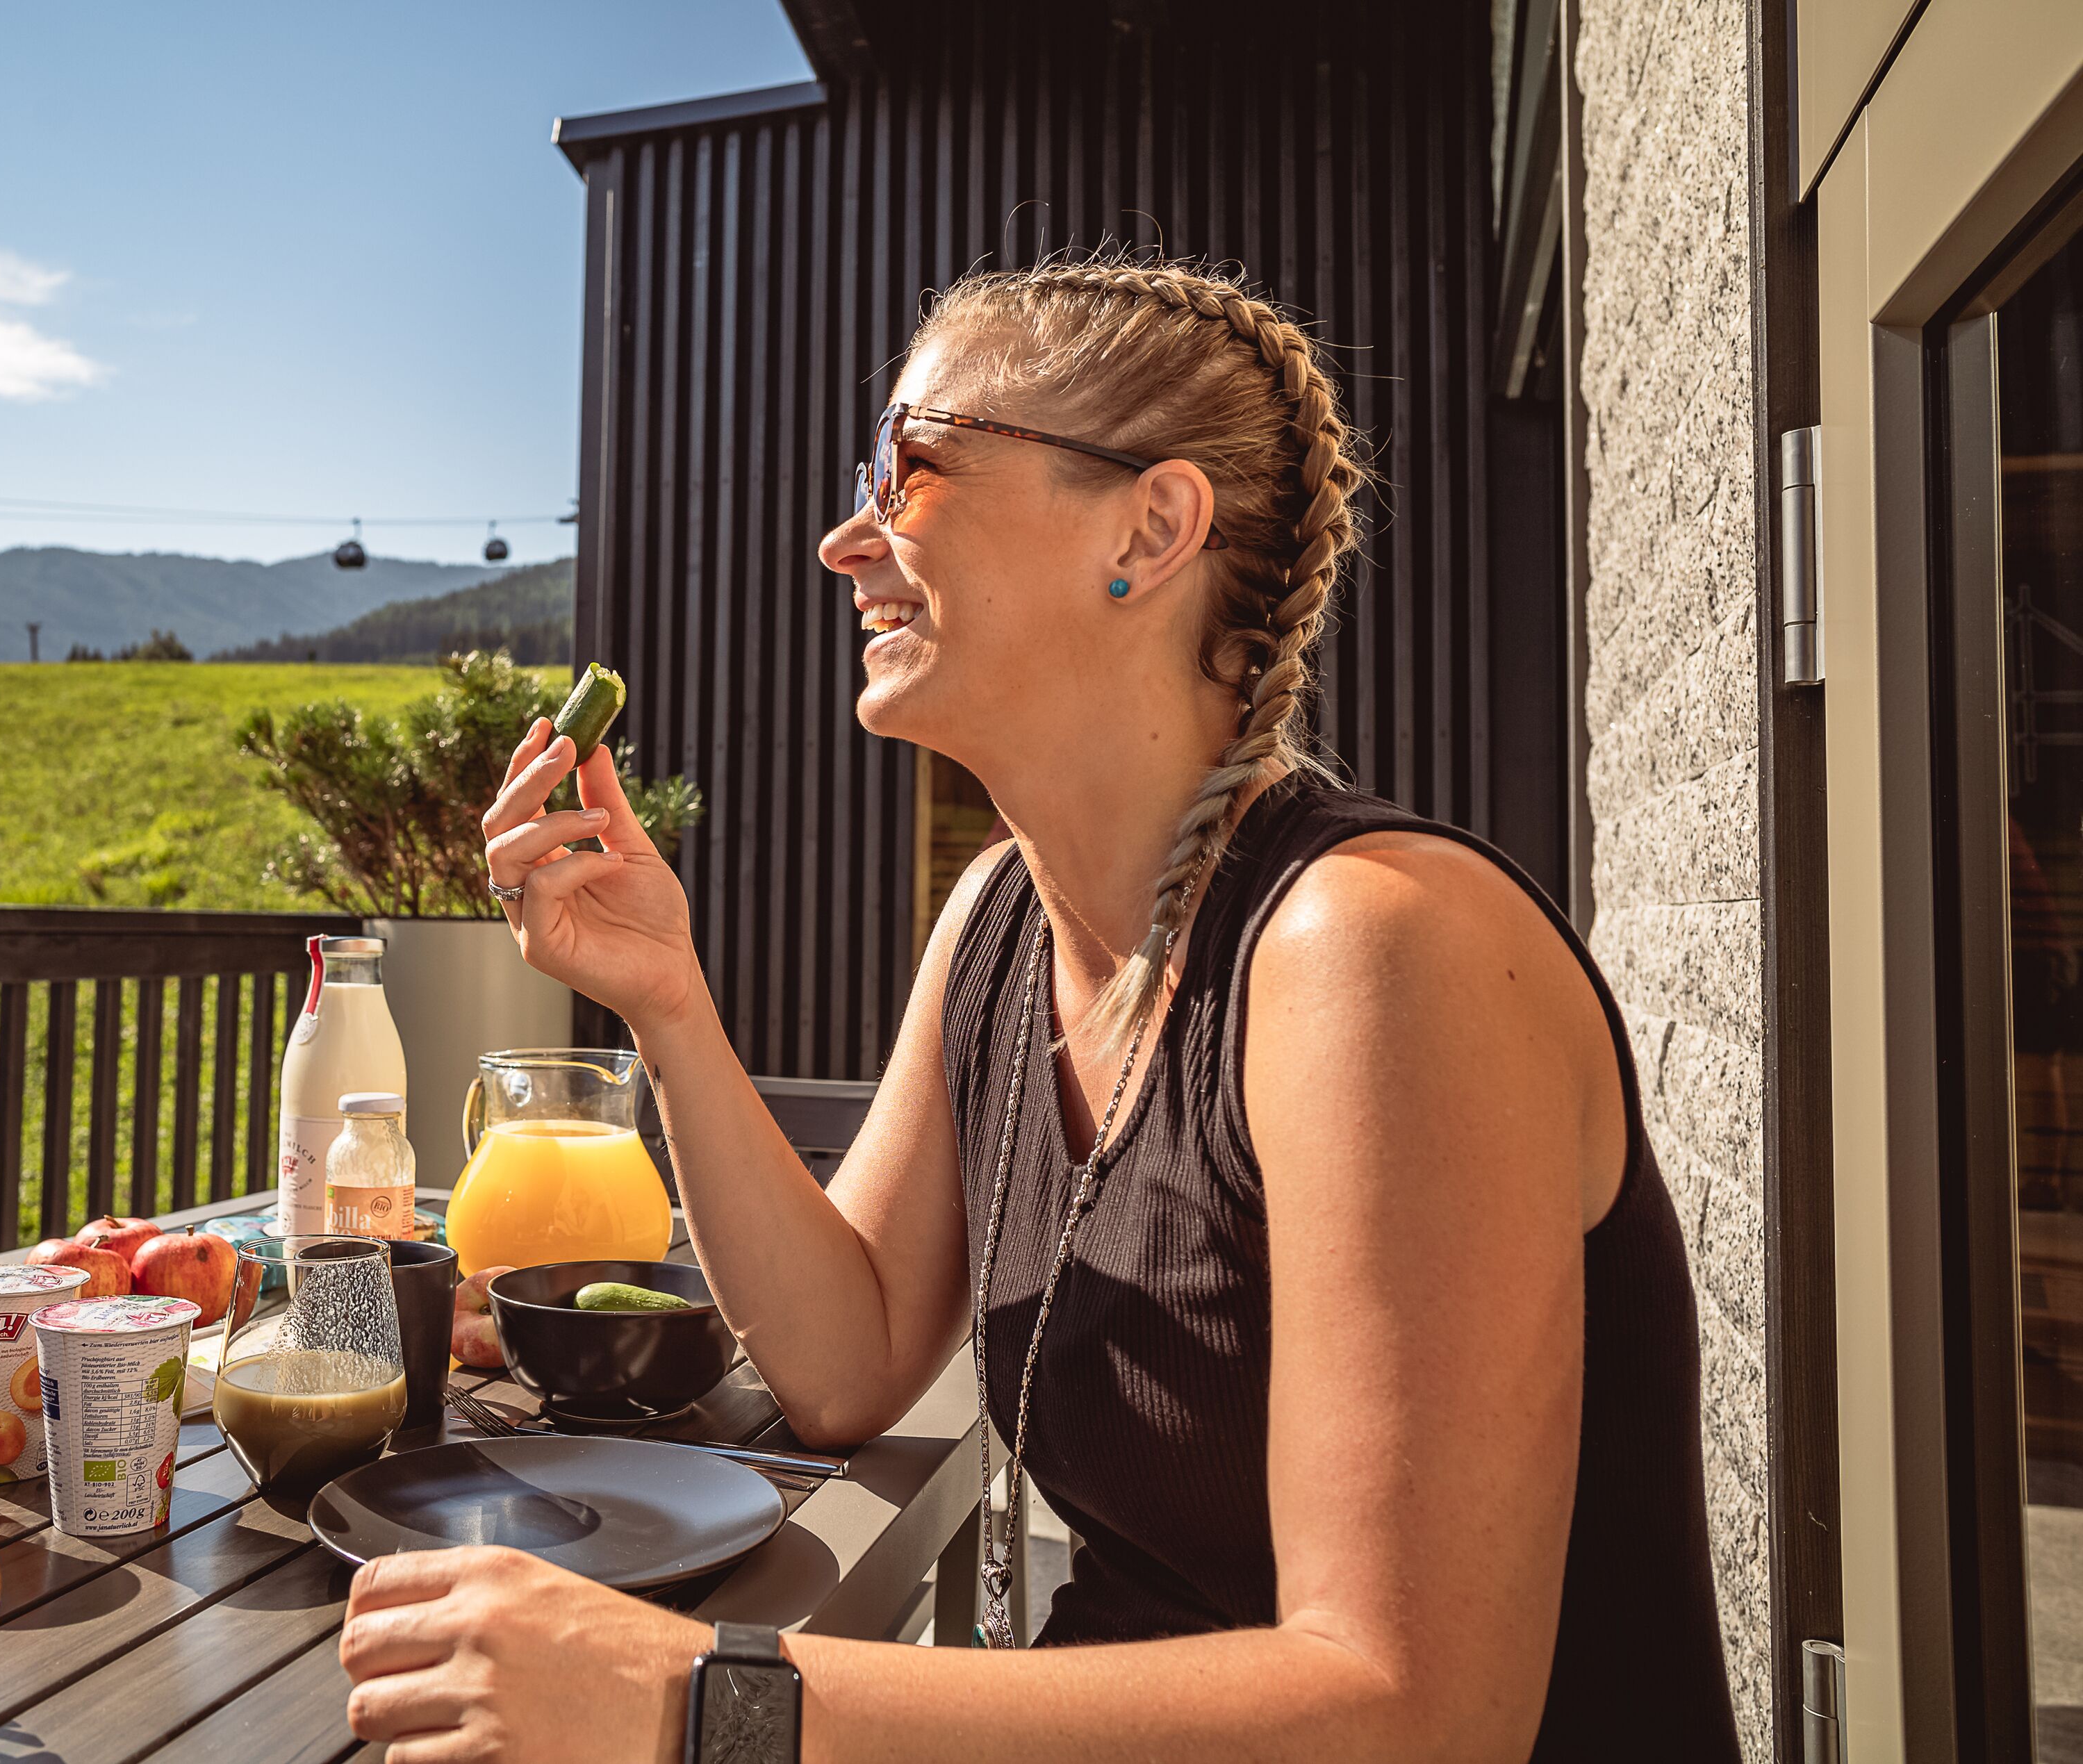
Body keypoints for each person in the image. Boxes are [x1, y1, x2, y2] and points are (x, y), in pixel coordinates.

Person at [338, 256, 1741, 1763]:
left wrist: (701, 1697)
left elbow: (1412, 1711)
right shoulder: (999, 922)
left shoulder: (1381, 953)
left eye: (912, 465)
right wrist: (666, 1001)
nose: (843, 538)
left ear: (1150, 526)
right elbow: (847, 1356)